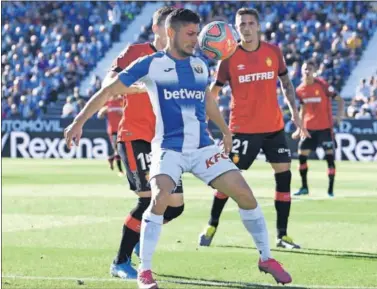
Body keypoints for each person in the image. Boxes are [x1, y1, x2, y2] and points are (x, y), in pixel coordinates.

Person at [64, 8, 292, 289]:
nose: (196, 40)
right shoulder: (150, 64)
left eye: (197, 33)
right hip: (169, 149)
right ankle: (145, 271)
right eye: (191, 34)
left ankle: (266, 258)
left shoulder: (200, 66)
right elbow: (108, 90)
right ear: (171, 33)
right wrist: (78, 122)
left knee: (245, 194)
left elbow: (206, 97)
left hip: (202, 148)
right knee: (158, 198)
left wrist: (225, 128)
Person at [199, 8, 308, 250]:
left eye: (250, 23)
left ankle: (282, 235)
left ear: (258, 26)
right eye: (242, 25)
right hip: (242, 131)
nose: (246, 28)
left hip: (274, 129)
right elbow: (214, 92)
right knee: (228, 180)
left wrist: (297, 117)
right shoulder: (228, 57)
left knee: (284, 177)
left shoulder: (273, 52)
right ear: (236, 29)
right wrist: (206, 121)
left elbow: (287, 84)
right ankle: (212, 223)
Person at [102, 7, 185, 279]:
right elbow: (109, 82)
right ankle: (120, 261)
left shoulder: (179, 58)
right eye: (167, 26)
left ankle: (137, 236)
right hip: (136, 137)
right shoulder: (135, 52)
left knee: (175, 205)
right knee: (148, 200)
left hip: (165, 141)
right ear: (157, 28)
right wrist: (142, 86)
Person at [294, 61, 344, 197]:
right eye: (305, 69)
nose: (307, 72)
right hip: (309, 129)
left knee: (329, 158)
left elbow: (339, 99)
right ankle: (304, 187)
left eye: (309, 69)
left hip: (324, 128)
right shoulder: (299, 90)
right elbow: (302, 110)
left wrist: (339, 116)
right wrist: (300, 129)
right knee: (301, 156)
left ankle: (330, 190)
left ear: (314, 71)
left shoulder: (322, 85)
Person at [97, 95, 124, 176]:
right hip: (113, 130)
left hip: (123, 129)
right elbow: (99, 116)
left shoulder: (122, 100)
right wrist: (102, 112)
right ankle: (120, 170)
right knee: (118, 149)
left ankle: (111, 158)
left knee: (122, 150)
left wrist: (122, 112)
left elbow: (129, 112)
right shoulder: (107, 102)